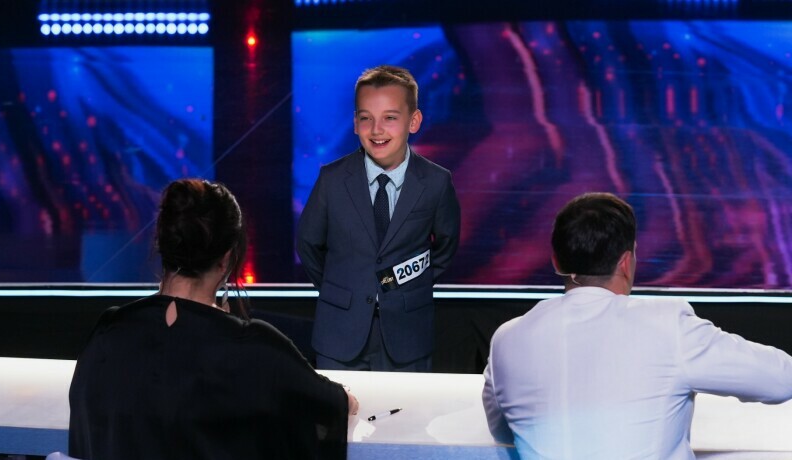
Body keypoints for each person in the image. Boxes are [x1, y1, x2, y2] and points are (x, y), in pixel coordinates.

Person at [482, 192, 792, 460]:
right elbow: (781, 379)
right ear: (626, 262)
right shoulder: (667, 325)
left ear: (555, 261)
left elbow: (503, 432)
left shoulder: (507, 339)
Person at [69, 178, 358, 460]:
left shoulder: (109, 331)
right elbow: (336, 405)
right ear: (227, 258)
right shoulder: (257, 350)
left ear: (162, 244)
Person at [297, 65, 461, 371]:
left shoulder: (436, 182)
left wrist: (406, 285)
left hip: (407, 334)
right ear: (355, 123)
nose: (376, 130)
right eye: (366, 118)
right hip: (339, 334)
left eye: (390, 118)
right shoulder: (332, 179)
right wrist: (343, 287)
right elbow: (308, 244)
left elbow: (445, 247)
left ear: (414, 121)